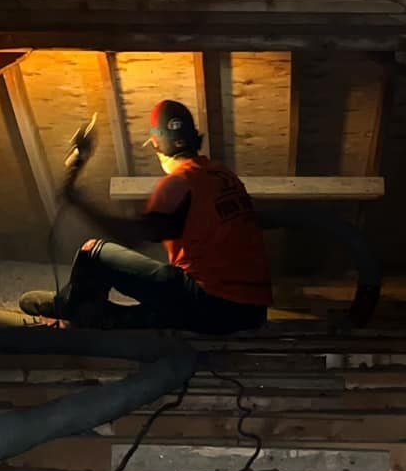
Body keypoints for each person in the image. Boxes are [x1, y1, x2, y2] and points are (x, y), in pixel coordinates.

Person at [19, 98, 271, 334]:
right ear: (194, 138)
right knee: (149, 308)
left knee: (93, 253)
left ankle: (67, 306)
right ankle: (93, 312)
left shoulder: (180, 182)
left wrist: (78, 201)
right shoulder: (223, 175)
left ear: (155, 142)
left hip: (206, 302)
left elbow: (132, 237)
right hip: (250, 314)